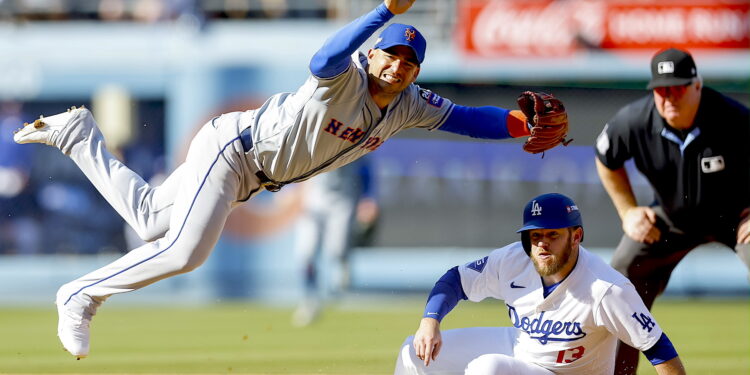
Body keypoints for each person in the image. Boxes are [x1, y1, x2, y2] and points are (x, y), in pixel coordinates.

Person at [13, 0, 568, 359]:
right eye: (391, 56)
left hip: (255, 177)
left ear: (417, 72)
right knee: (184, 252)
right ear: (373, 54)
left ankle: (77, 135)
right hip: (235, 149)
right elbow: (324, 55)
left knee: (148, 217)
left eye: (409, 62)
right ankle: (80, 295)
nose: (397, 67)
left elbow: (469, 120)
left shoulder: (409, 105)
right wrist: (381, 11)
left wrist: (520, 126)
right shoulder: (343, 78)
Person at [394, 193, 686, 375]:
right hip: (522, 347)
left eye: (553, 235)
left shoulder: (606, 288)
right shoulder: (512, 260)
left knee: (489, 369)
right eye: (535, 236)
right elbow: (455, 280)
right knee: (414, 350)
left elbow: (659, 349)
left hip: (563, 373)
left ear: (576, 236)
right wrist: (430, 320)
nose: (542, 244)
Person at [594, 48, 750, 374]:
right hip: (671, 218)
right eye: (662, 90)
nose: (669, 98)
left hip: (735, 218)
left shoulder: (733, 119)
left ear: (697, 85)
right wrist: (628, 211)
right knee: (621, 272)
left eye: (678, 88)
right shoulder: (634, 122)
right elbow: (606, 159)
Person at [291, 157, 378, 326]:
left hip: (342, 199)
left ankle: (342, 267)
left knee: (337, 249)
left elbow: (365, 168)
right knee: (305, 253)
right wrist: (290, 191)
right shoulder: (313, 134)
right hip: (313, 200)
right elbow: (297, 162)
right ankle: (309, 299)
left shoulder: (351, 133)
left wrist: (368, 197)